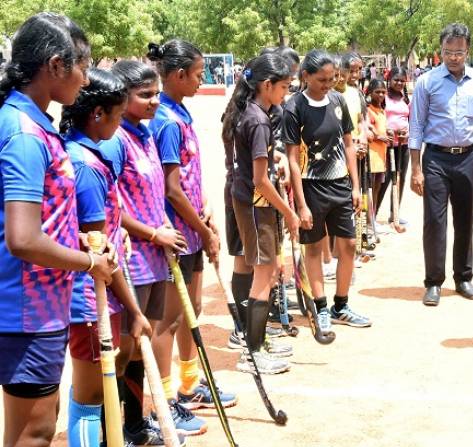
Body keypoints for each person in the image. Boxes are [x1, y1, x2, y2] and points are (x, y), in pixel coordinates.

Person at [0, 13, 115, 447]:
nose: (86, 78)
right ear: (54, 65)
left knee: (39, 436)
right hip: (27, 308)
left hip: (41, 304)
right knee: (31, 439)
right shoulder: (24, 135)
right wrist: (89, 262)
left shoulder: (32, 123)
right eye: (82, 66)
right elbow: (24, 238)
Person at [61, 68, 159, 447]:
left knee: (97, 387)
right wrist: (134, 308)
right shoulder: (85, 166)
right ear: (97, 114)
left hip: (99, 289)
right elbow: (100, 253)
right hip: (89, 296)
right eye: (118, 116)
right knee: (89, 396)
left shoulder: (93, 156)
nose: (121, 126)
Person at [107, 59, 204, 439]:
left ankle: (136, 422)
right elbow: (111, 206)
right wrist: (152, 232)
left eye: (154, 93)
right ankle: (114, 436)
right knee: (125, 350)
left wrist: (161, 230)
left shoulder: (145, 133)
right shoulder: (116, 140)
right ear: (122, 96)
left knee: (140, 345)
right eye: (143, 95)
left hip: (156, 256)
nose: (152, 101)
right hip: (133, 258)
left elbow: (152, 193)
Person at [146, 40, 236, 420]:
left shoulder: (179, 112)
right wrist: (203, 227)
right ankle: (167, 401)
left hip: (193, 229)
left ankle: (189, 383)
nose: (203, 80)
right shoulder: (165, 120)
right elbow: (171, 187)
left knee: (192, 310)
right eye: (199, 75)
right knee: (168, 319)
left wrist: (207, 213)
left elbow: (191, 178)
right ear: (179, 75)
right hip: (176, 235)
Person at [409, 23, 473, 307]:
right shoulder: (427, 82)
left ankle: (463, 278)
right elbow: (417, 127)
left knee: (465, 219)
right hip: (435, 158)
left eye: (458, 52)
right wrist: (416, 169)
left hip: (469, 158)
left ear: (468, 50)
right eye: (448, 52)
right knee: (434, 221)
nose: (453, 57)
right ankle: (433, 282)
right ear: (441, 51)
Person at [282, 49, 371, 330]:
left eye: (332, 78)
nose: (328, 84)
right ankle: (320, 307)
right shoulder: (294, 107)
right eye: (322, 79)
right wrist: (301, 204)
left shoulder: (337, 101)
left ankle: (341, 306)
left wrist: (355, 186)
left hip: (341, 186)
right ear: (306, 76)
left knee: (349, 246)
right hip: (311, 188)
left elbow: (348, 144)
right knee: (313, 250)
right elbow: (293, 160)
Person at [223, 53, 299, 374]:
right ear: (266, 85)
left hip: (256, 204)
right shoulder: (257, 120)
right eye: (284, 87)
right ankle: (252, 353)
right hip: (256, 206)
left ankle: (258, 343)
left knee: (266, 274)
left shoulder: (255, 113)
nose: (286, 94)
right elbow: (260, 180)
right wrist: (290, 213)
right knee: (264, 275)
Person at [376, 66, 410, 225]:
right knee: (385, 179)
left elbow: (410, 119)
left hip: (403, 144)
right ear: (389, 79)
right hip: (386, 144)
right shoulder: (383, 97)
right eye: (396, 80)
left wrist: (407, 132)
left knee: (400, 178)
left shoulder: (406, 97)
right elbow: (375, 114)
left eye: (402, 81)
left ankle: (394, 213)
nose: (399, 83)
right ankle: (373, 214)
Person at [365, 79, 390, 218]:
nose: (380, 95)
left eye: (383, 92)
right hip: (371, 156)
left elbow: (382, 129)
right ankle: (368, 220)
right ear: (370, 92)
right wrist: (380, 137)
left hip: (381, 156)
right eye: (377, 92)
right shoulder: (368, 111)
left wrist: (389, 132)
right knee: (369, 190)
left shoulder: (382, 111)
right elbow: (368, 131)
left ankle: (372, 219)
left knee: (376, 189)